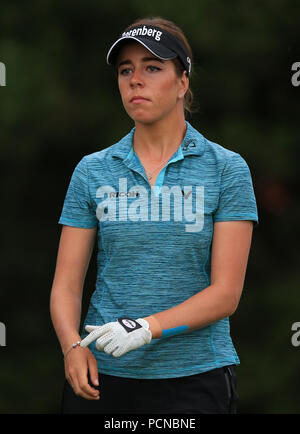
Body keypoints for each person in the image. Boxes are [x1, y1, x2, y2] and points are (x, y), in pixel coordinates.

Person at [50, 16, 258, 414]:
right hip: (104, 379)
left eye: (152, 67)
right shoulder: (92, 170)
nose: (135, 80)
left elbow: (226, 294)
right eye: (126, 70)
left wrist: (147, 328)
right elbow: (67, 285)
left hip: (196, 378)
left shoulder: (226, 169)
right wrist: (71, 347)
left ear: (183, 82)